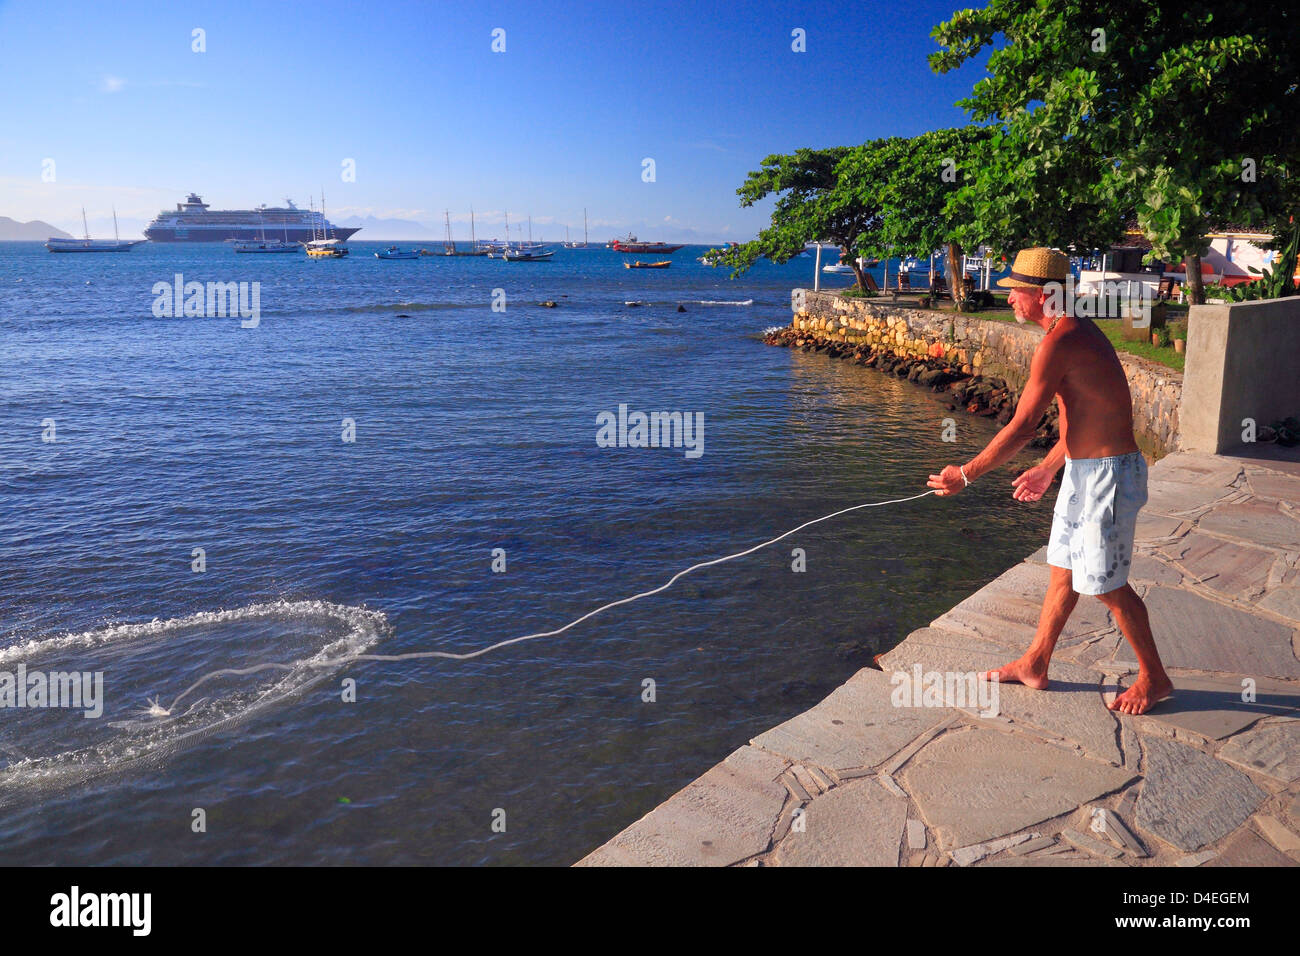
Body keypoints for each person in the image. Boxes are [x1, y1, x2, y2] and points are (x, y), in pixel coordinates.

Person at [926, 247, 1173, 715]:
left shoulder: (1062, 340)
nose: (1010, 300)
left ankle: (1154, 678)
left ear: (1042, 295)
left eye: (1015, 292)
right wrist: (1049, 467)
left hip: (1109, 478)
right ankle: (1036, 663)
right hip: (1086, 471)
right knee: (1063, 569)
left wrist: (965, 474)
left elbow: (1021, 427)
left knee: (1104, 584)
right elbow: (1077, 416)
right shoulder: (1069, 333)